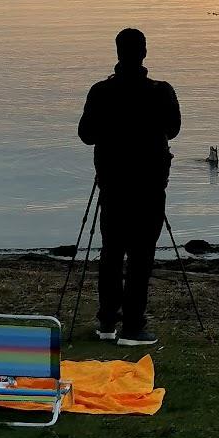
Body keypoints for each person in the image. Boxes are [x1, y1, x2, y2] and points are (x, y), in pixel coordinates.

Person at [78, 27, 181, 346]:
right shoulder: (161, 91)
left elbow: (86, 134)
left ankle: (107, 322)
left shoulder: (100, 91)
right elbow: (174, 129)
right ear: (144, 53)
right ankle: (133, 326)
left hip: (113, 185)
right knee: (141, 255)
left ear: (118, 52)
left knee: (111, 252)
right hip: (149, 186)